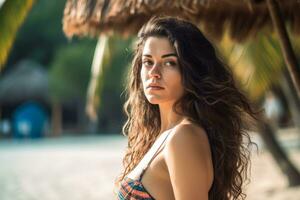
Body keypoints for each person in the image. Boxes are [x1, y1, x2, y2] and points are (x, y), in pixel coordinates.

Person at [115, 16, 259, 200]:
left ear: (191, 71)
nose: (154, 73)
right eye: (148, 62)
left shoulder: (183, 137)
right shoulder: (164, 135)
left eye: (169, 63)